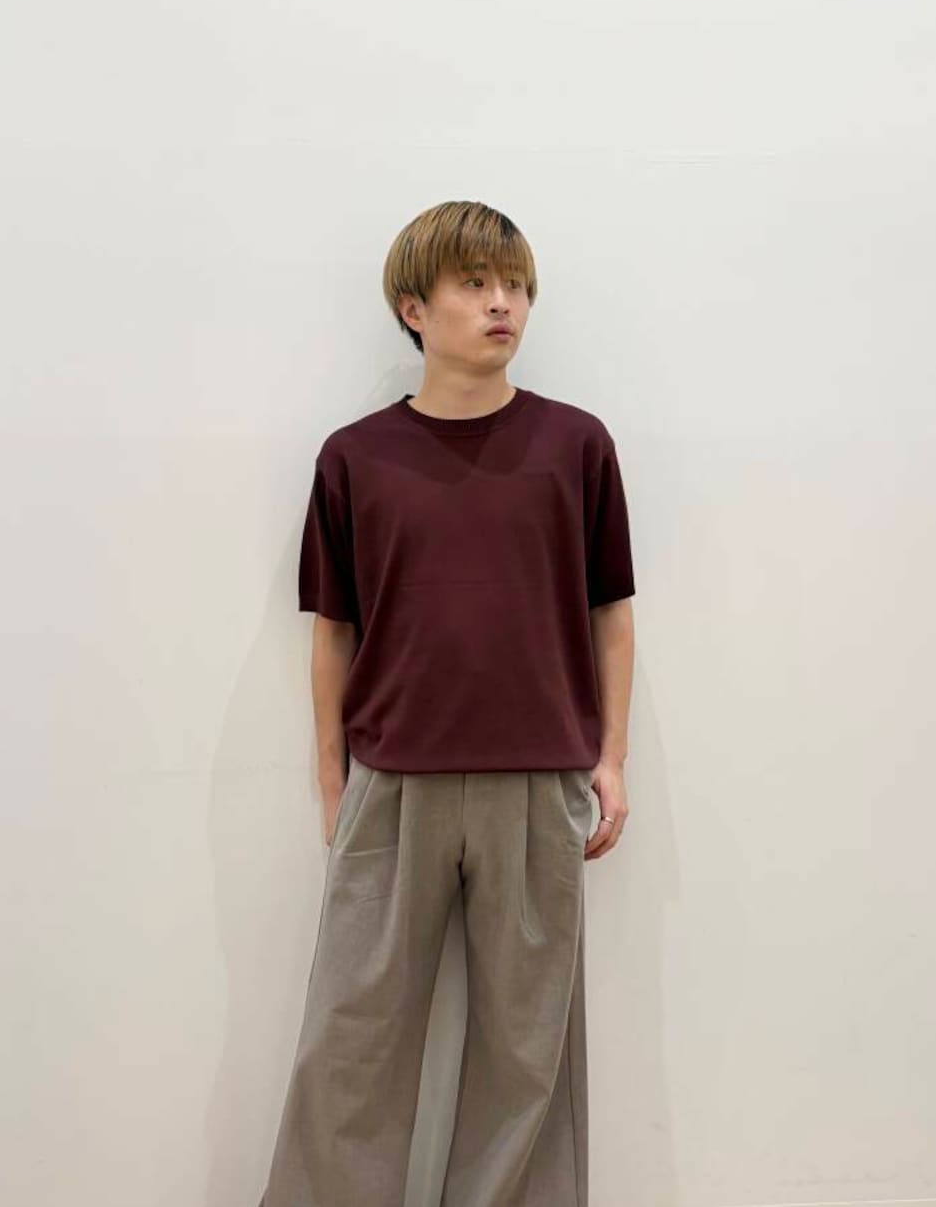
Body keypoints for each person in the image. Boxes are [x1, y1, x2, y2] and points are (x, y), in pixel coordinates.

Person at [258, 200, 636, 1207]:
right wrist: (333, 777)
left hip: (538, 780)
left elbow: (610, 611)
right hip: (394, 782)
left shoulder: (576, 445)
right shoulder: (355, 458)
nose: (502, 302)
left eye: (515, 284)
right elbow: (333, 629)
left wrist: (610, 757)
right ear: (413, 308)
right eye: (474, 283)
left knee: (528, 1049)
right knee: (353, 1033)